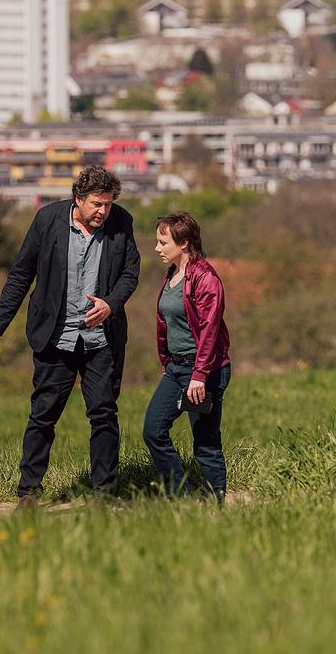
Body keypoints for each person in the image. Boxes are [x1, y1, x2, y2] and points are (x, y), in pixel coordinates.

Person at [0, 165, 140, 507]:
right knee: (43, 414)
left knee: (103, 414)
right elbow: (21, 275)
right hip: (56, 336)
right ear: (78, 199)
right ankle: (29, 492)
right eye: (97, 204)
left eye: (108, 204)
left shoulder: (121, 223)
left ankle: (103, 494)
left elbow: (131, 272)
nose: (103, 211)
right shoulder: (47, 221)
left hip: (102, 339)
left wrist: (111, 304)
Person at [143, 212, 231, 500]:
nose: (157, 248)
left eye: (162, 242)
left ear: (183, 243)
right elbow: (165, 325)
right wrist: (167, 363)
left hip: (205, 371)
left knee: (205, 442)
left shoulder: (205, 278)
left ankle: (213, 504)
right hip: (177, 368)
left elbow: (209, 330)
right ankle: (181, 496)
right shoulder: (172, 275)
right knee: (153, 431)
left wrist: (199, 376)